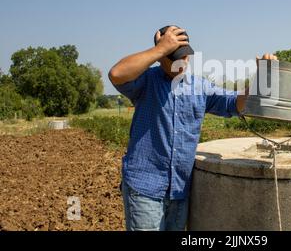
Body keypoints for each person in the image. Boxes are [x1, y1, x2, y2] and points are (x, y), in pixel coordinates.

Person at [109, 25, 277, 231]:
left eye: (184, 56)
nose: (180, 63)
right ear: (159, 56)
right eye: (172, 57)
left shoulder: (200, 87)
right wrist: (161, 49)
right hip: (145, 188)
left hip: (179, 191)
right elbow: (116, 74)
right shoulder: (145, 81)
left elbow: (235, 104)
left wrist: (261, 77)